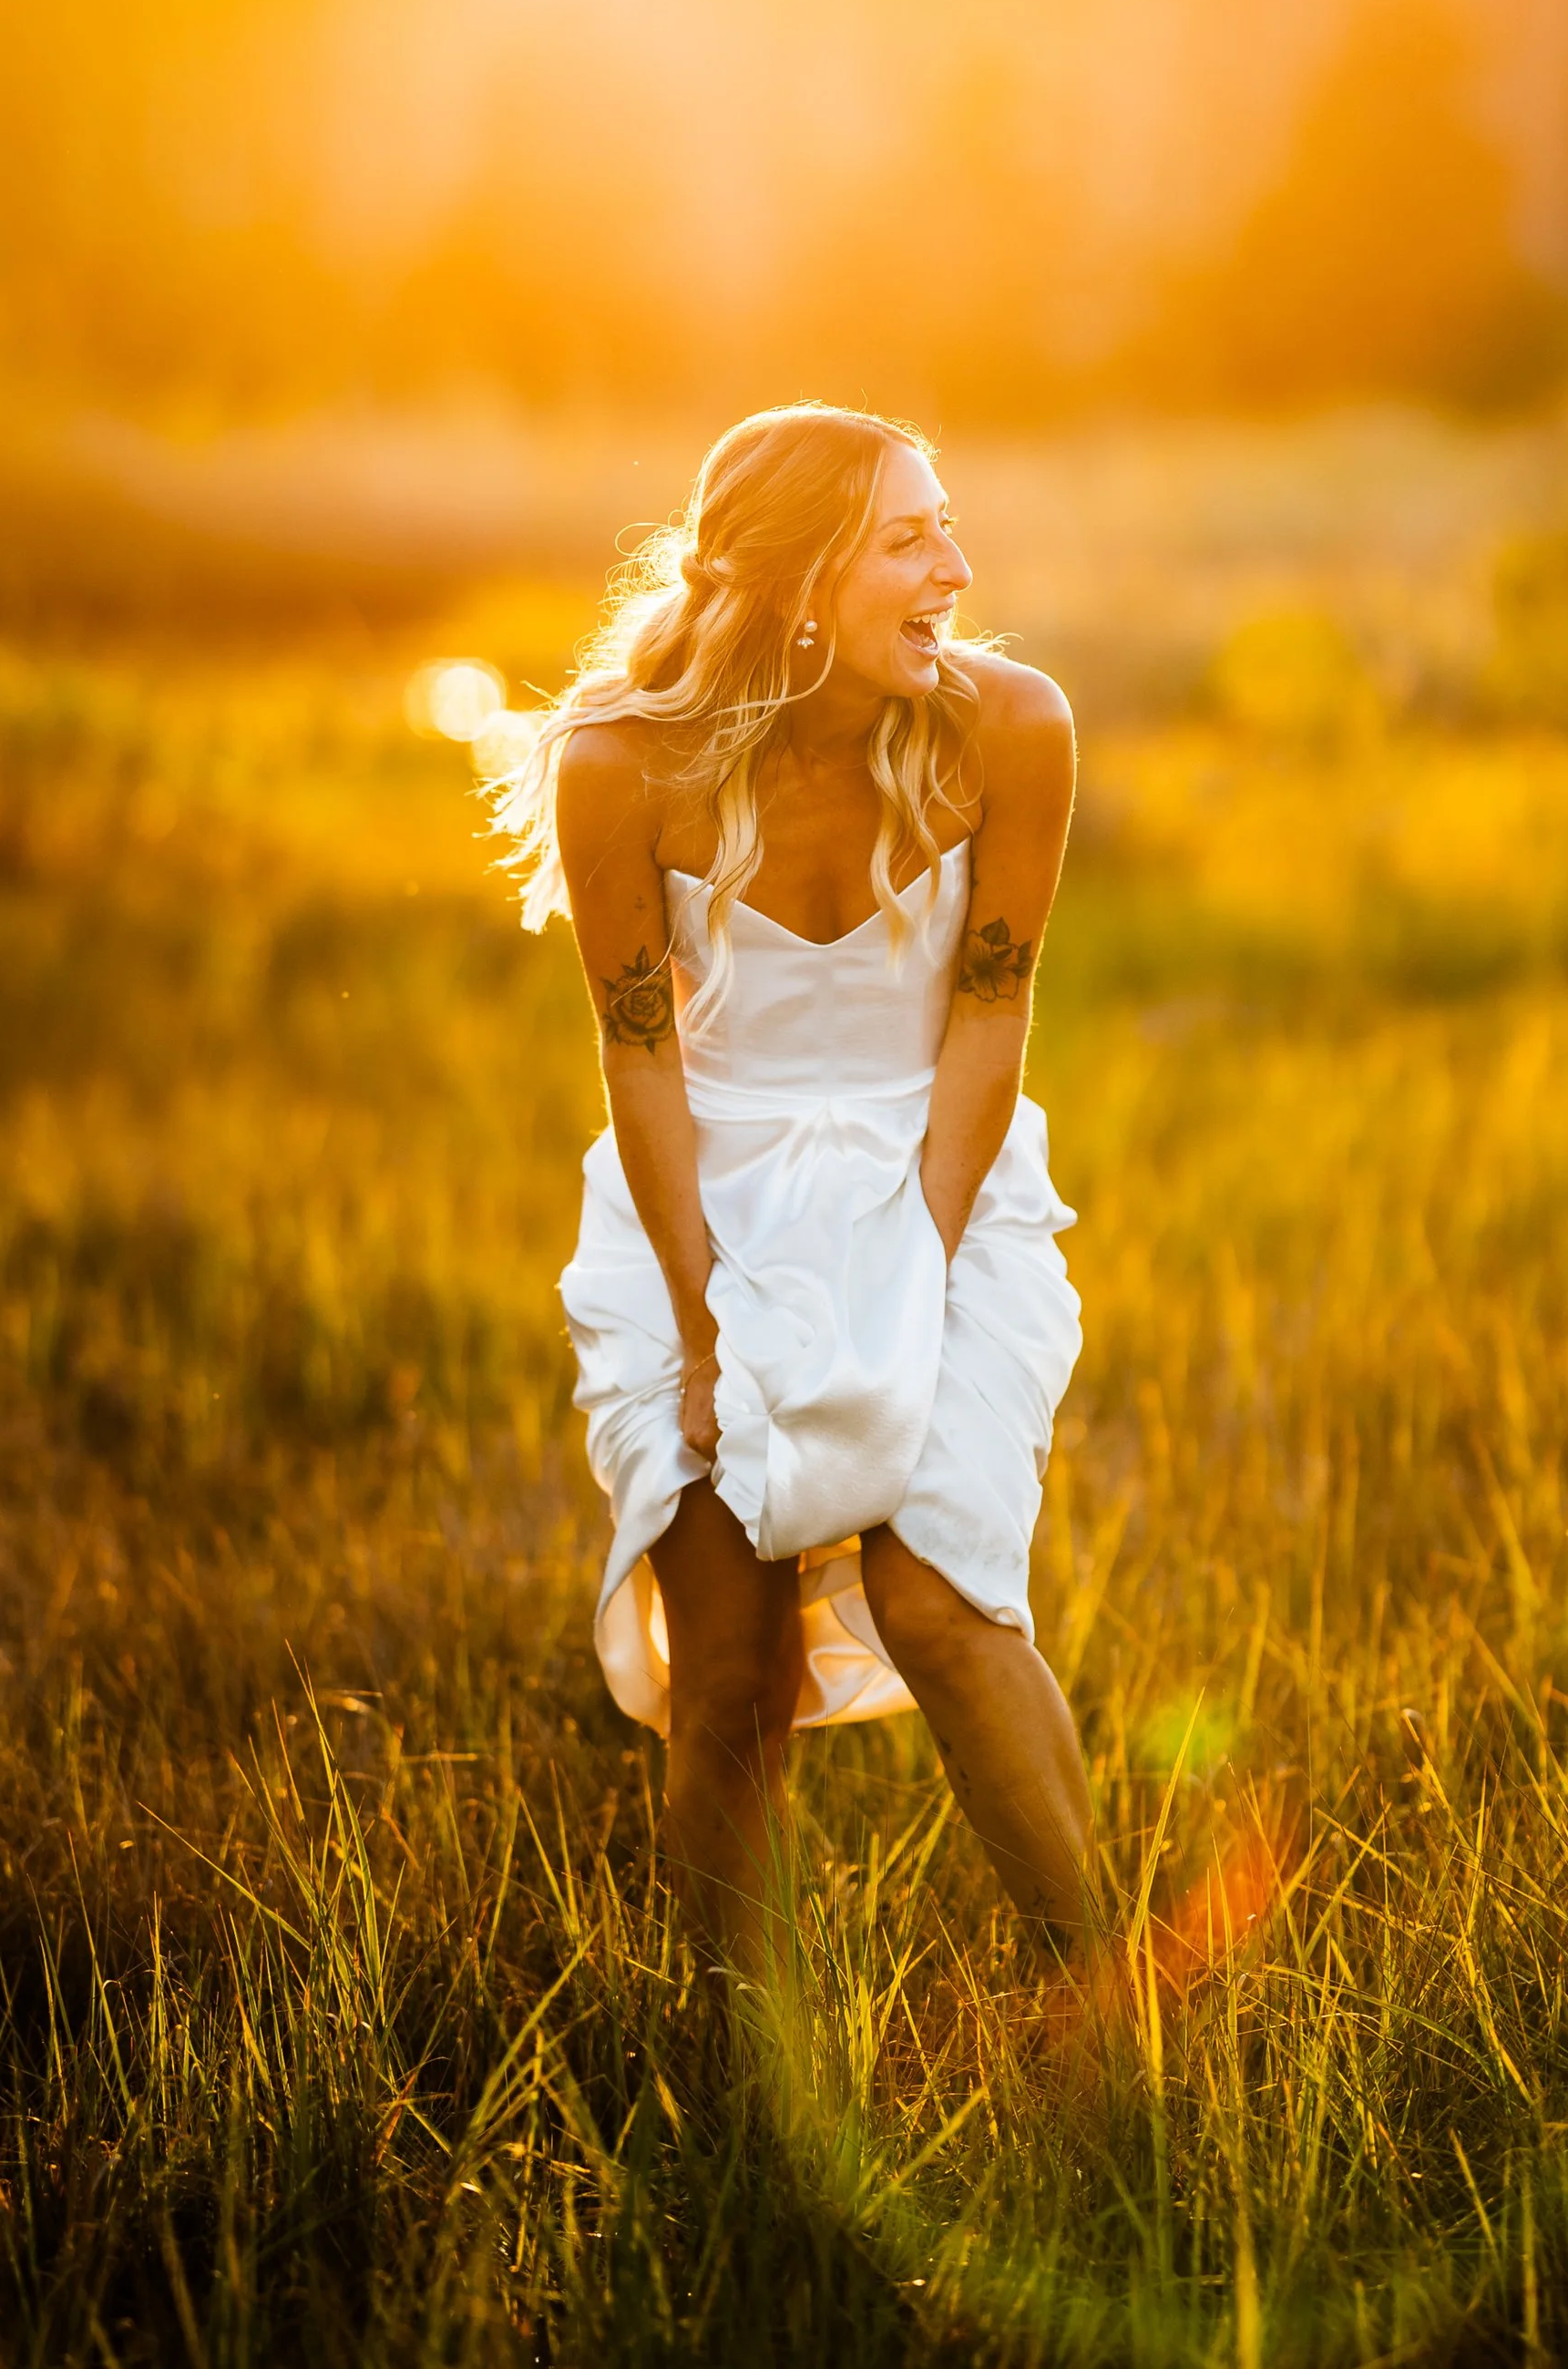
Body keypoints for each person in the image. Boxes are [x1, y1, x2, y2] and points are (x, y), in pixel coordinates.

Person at [494, 402, 1090, 1968]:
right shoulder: (620, 764)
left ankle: (1110, 2011)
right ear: (796, 576)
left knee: (940, 1598)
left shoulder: (1013, 727)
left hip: (943, 1177)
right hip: (699, 1194)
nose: (956, 567)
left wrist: (921, 1259)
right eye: (910, 537)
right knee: (735, 1675)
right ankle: (743, 2086)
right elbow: (639, 1061)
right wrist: (704, 1328)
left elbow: (991, 1011)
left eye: (945, 526)